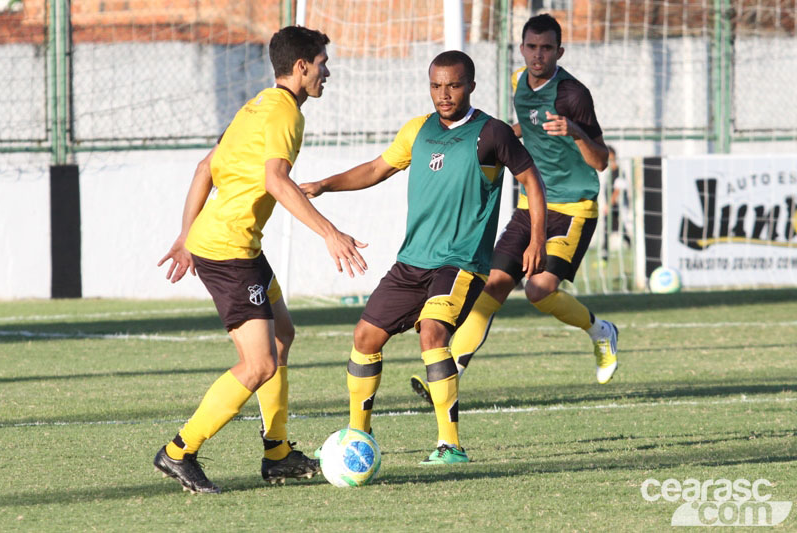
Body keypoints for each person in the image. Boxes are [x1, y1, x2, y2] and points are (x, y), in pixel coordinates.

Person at [300, 51, 547, 465]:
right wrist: (325, 184)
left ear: (470, 85)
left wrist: (536, 237)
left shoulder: (492, 133)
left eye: (452, 85)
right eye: (436, 86)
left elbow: (531, 181)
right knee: (365, 337)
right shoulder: (418, 130)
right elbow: (377, 168)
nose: (444, 94)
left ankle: (450, 445)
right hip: (413, 261)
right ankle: (359, 436)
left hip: (460, 262)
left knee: (432, 333)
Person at [154, 26, 368, 494]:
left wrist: (186, 235)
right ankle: (178, 451)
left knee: (283, 334)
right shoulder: (286, 115)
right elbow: (276, 180)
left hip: (237, 244)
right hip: (231, 253)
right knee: (259, 366)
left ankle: (277, 454)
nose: (326, 72)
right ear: (302, 66)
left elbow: (203, 168)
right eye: (322, 63)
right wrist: (330, 233)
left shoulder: (258, 104)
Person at [411, 14, 618, 406]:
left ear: (560, 51)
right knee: (492, 287)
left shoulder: (573, 94)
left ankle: (600, 331)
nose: (538, 55)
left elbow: (601, 161)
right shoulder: (518, 81)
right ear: (522, 49)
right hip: (531, 204)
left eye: (546, 48)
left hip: (573, 207)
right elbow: (529, 122)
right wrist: (507, 134)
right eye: (532, 47)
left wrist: (574, 132)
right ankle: (450, 370)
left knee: (539, 290)